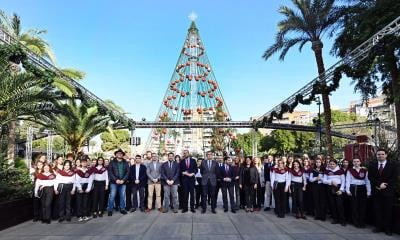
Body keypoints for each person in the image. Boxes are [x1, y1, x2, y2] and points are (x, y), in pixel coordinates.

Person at [368, 148, 398, 236]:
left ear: (386, 155)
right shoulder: (372, 165)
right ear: (376, 155)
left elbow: (394, 178)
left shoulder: (393, 165)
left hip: (388, 192)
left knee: (388, 211)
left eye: (382, 154)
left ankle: (387, 229)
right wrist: (379, 184)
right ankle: (378, 227)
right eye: (378, 154)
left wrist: (385, 184)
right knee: (377, 210)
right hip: (376, 191)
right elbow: (370, 177)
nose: (380, 156)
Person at [345, 157, 371, 228]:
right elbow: (348, 181)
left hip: (362, 188)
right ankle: (356, 222)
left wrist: (369, 191)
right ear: (353, 163)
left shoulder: (364, 170)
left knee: (362, 206)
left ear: (360, 162)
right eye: (354, 161)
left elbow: (367, 181)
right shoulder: (350, 170)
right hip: (354, 188)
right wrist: (347, 190)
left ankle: (361, 221)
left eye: (357, 161)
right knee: (354, 206)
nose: (356, 163)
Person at [107, 149, 130, 216]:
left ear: (122, 155)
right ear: (116, 154)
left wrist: (123, 180)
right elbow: (110, 172)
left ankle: (122, 209)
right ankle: (110, 209)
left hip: (123, 182)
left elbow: (128, 172)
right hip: (114, 182)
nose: (119, 154)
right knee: (112, 196)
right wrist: (116, 180)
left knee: (122, 196)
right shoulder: (112, 162)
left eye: (121, 153)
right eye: (118, 153)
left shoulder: (125, 162)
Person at [323, 159, 346, 226]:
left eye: (333, 164)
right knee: (332, 204)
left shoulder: (340, 171)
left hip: (338, 188)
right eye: (330, 164)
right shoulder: (327, 171)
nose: (332, 165)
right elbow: (324, 181)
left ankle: (342, 220)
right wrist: (331, 182)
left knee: (339, 205)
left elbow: (343, 181)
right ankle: (335, 219)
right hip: (330, 188)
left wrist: (341, 190)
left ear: (336, 164)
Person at [75, 156, 94, 222]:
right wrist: (79, 188)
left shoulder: (89, 171)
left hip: (86, 186)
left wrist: (88, 188)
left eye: (85, 162)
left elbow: (90, 180)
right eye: (82, 162)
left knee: (85, 202)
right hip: (80, 186)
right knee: (79, 202)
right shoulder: (78, 171)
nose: (84, 163)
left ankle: (85, 215)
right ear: (80, 163)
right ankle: (79, 216)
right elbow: (77, 181)